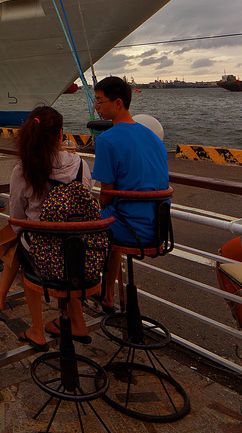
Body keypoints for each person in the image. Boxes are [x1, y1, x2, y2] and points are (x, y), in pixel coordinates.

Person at [0, 105, 94, 348]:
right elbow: (86, 197)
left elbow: (16, 216)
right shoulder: (80, 165)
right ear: (60, 135)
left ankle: (35, 328)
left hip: (43, 256)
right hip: (81, 253)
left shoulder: (23, 170)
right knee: (63, 247)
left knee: (20, 239)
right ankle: (77, 322)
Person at [90, 76, 169, 309]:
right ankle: (108, 295)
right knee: (109, 218)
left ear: (117, 103)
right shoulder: (153, 138)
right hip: (158, 228)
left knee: (79, 223)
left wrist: (90, 206)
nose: (96, 106)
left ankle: (80, 292)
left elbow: (105, 197)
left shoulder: (106, 140)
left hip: (128, 228)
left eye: (99, 101)